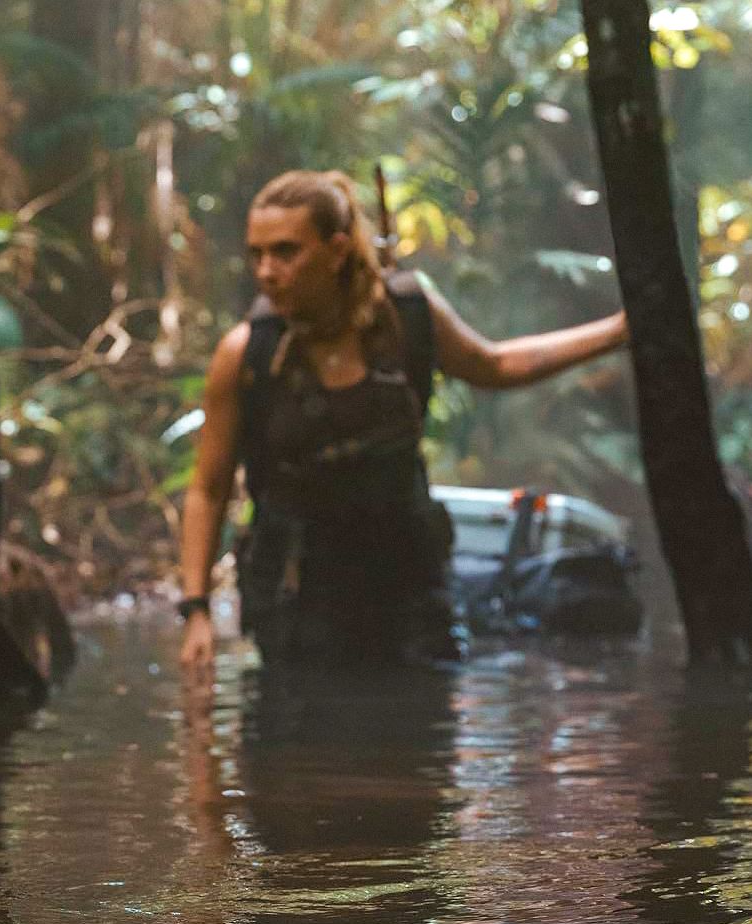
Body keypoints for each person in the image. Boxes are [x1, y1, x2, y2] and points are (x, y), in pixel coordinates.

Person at [177, 169, 628, 678]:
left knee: (419, 738)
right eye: (257, 253)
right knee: (299, 747)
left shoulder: (405, 319)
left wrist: (618, 331)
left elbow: (496, 366)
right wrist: (196, 611)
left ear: (336, 250)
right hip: (297, 599)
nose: (266, 270)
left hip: (408, 590)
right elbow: (209, 489)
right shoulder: (247, 354)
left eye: (285, 252)